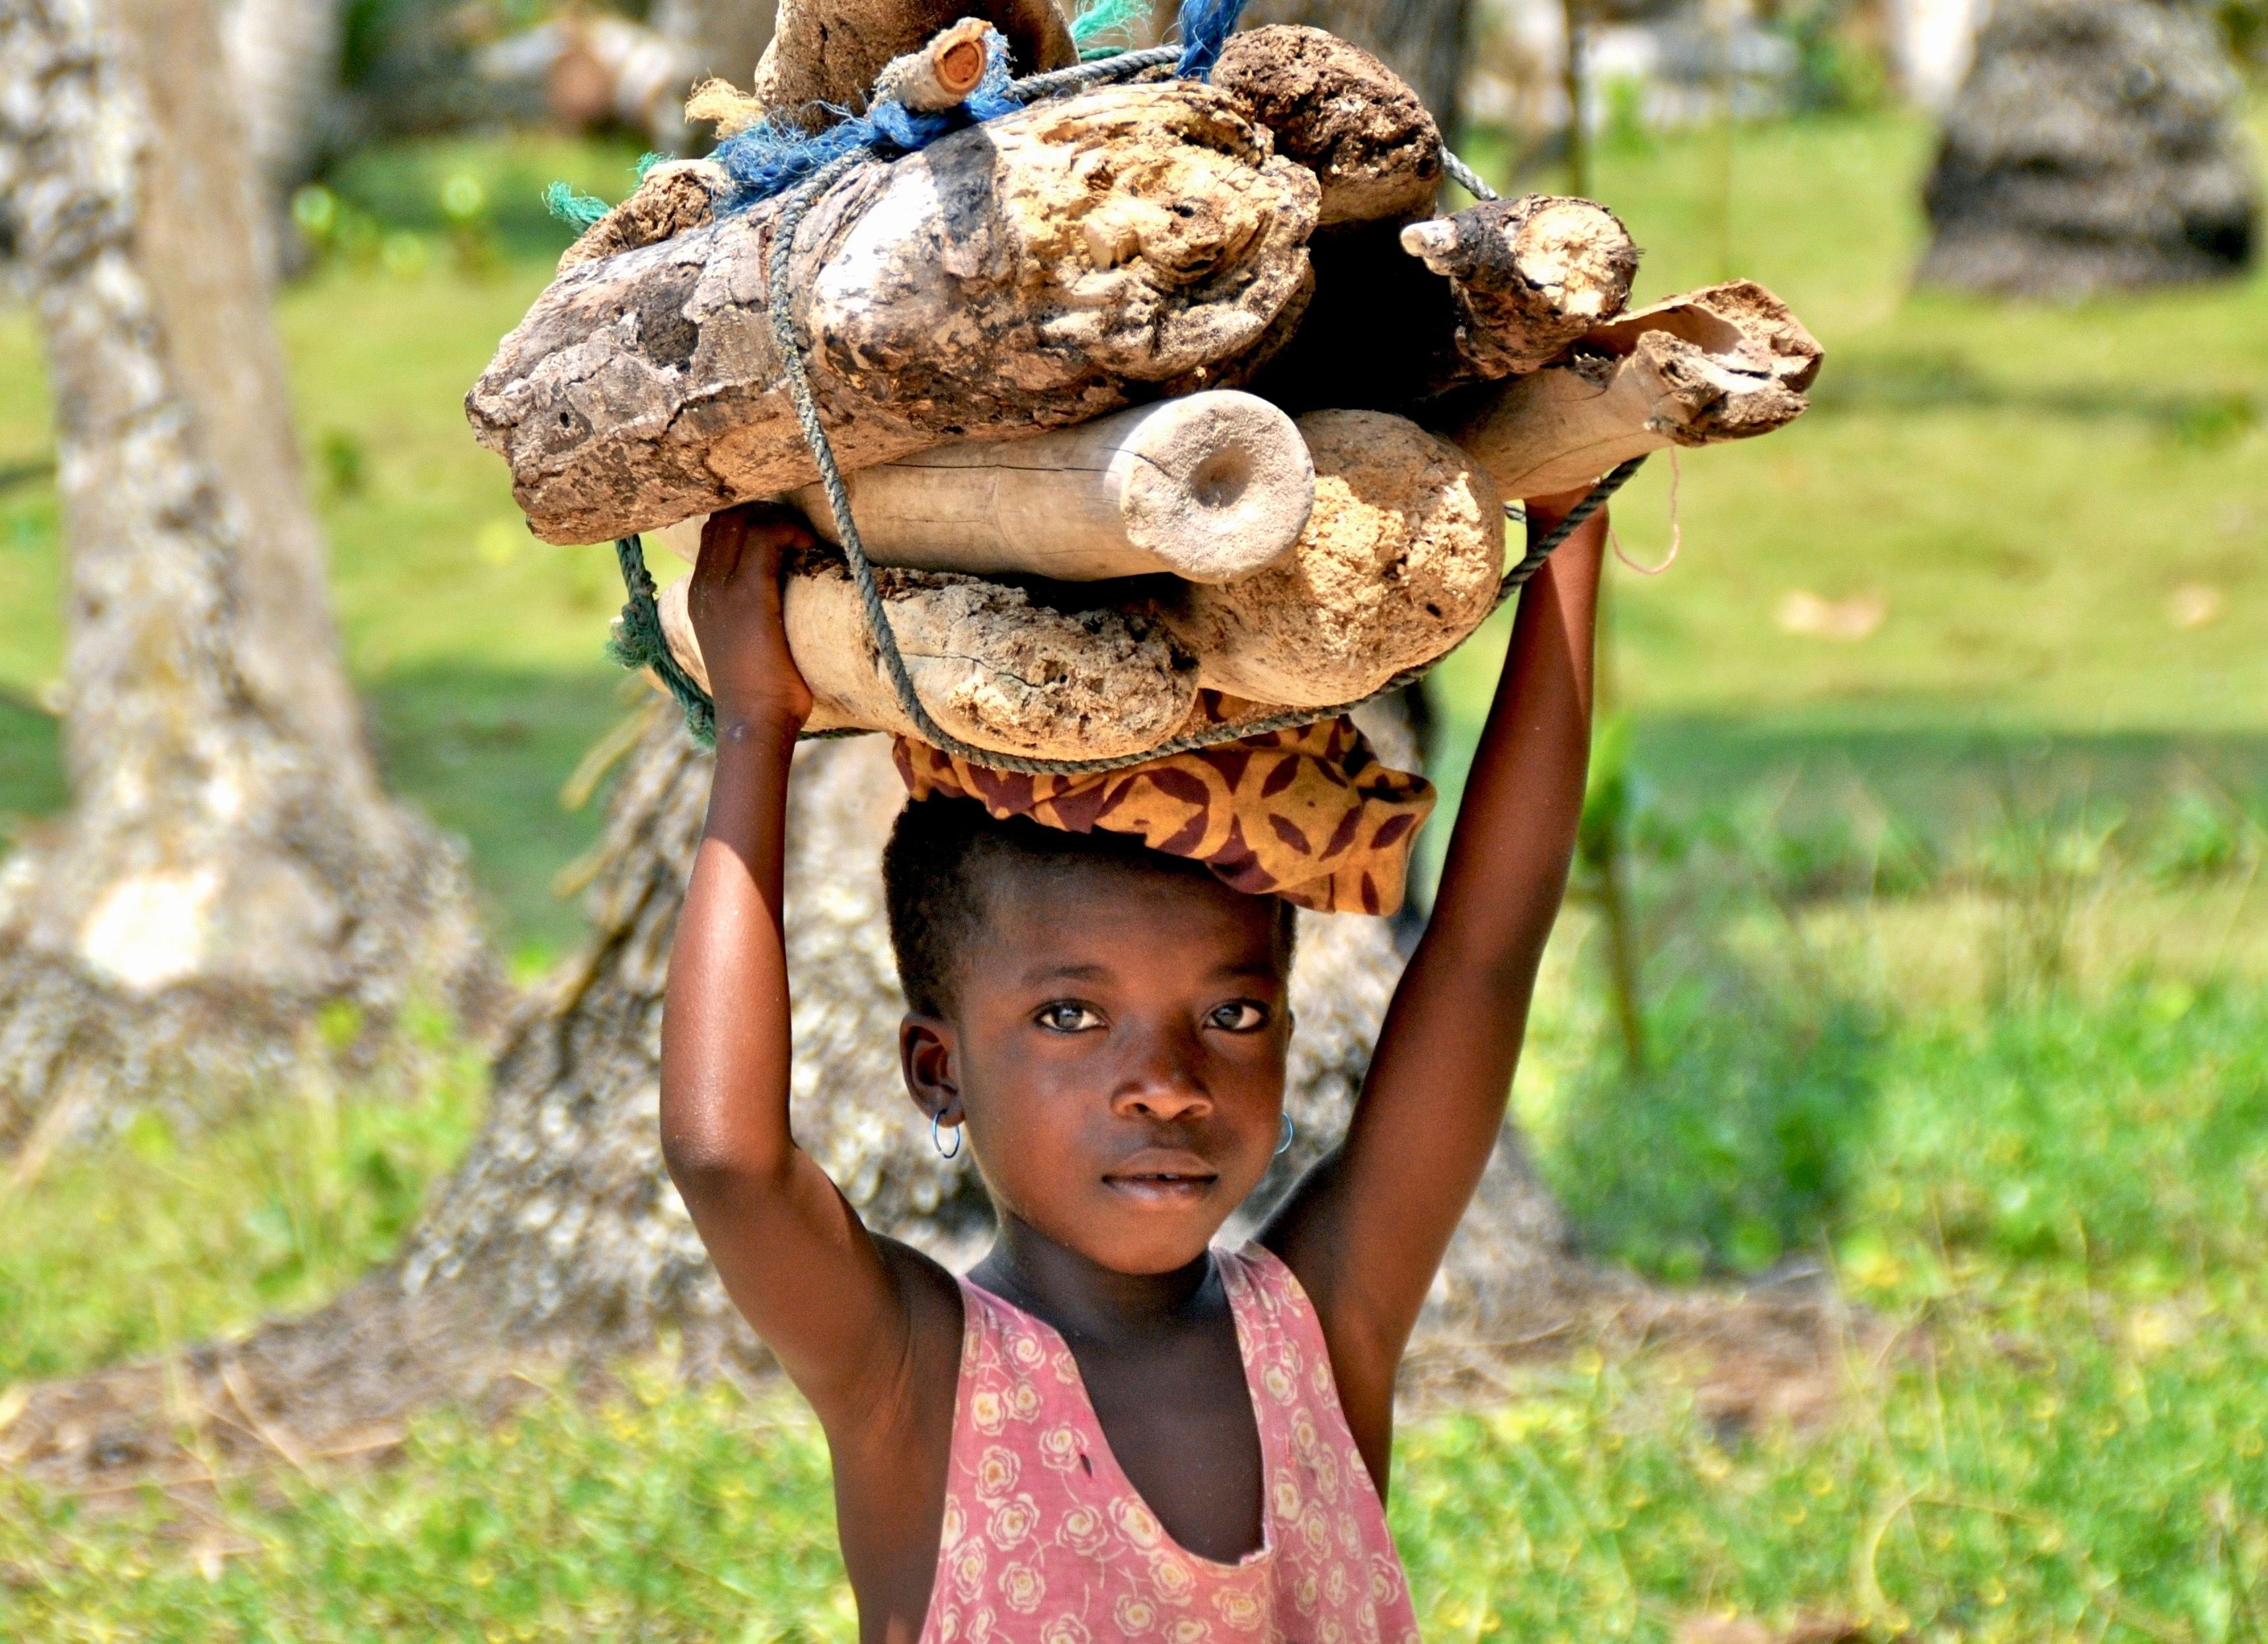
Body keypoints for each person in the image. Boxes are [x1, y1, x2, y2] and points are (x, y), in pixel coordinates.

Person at [660, 488, 1612, 1644]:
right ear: (938, 1069)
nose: (1168, 1081)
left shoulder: (1319, 1332)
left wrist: (1570, 532)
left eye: (1232, 1014)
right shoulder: (916, 1373)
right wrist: (755, 727)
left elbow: (1481, 955)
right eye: (1071, 1016)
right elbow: (726, 1161)